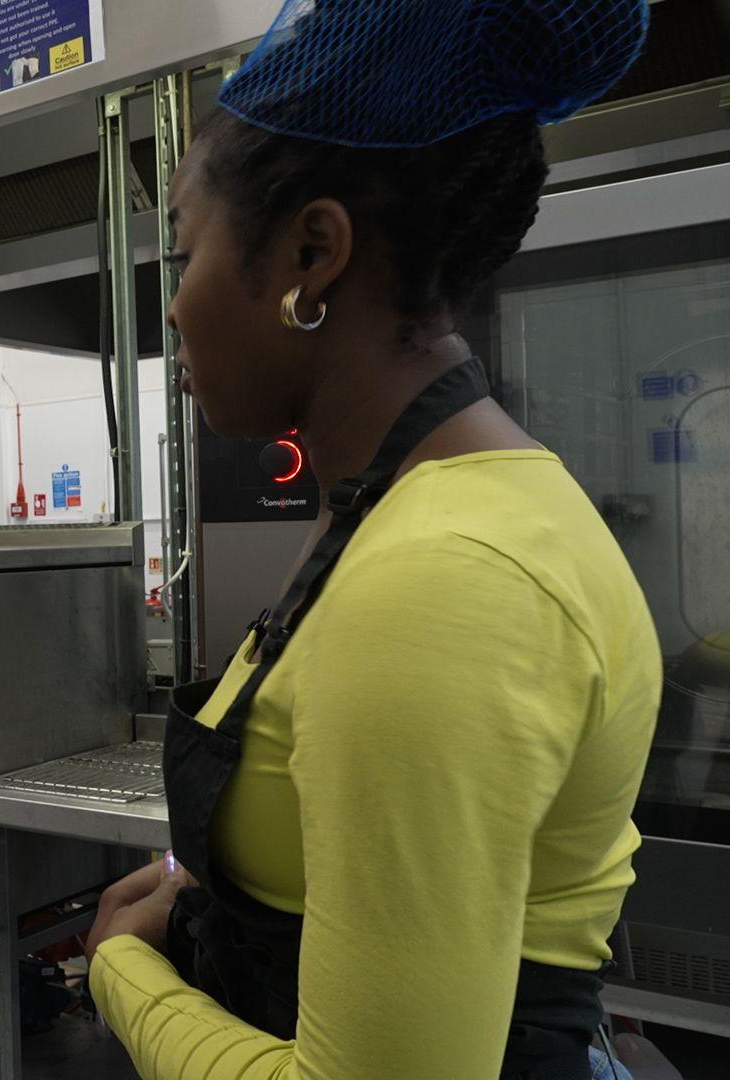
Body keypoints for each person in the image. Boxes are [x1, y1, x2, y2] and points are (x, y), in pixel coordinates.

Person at [81, 1, 660, 1077]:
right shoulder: (426, 508)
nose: (173, 310)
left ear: (312, 253)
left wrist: (122, 971)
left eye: (183, 254)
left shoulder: (440, 579)